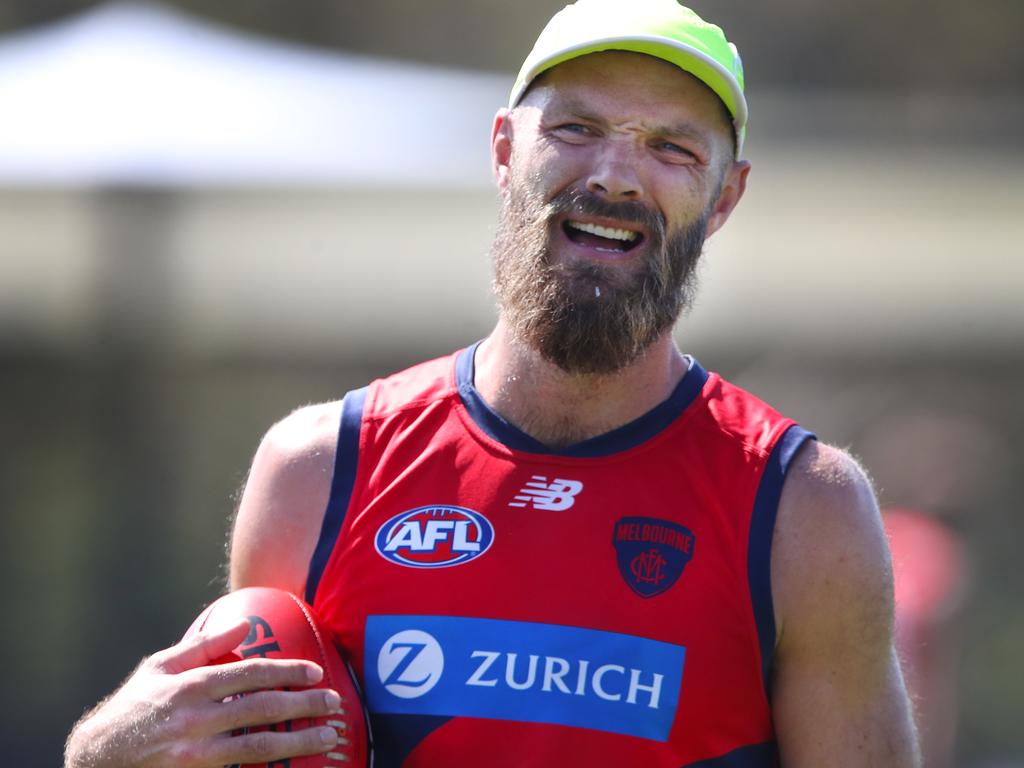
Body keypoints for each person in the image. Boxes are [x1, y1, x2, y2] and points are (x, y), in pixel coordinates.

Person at [65, 0, 921, 765]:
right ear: (505, 150)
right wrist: (103, 755)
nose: (616, 175)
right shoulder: (318, 471)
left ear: (725, 197)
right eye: (577, 129)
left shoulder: (804, 511)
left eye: (671, 148)